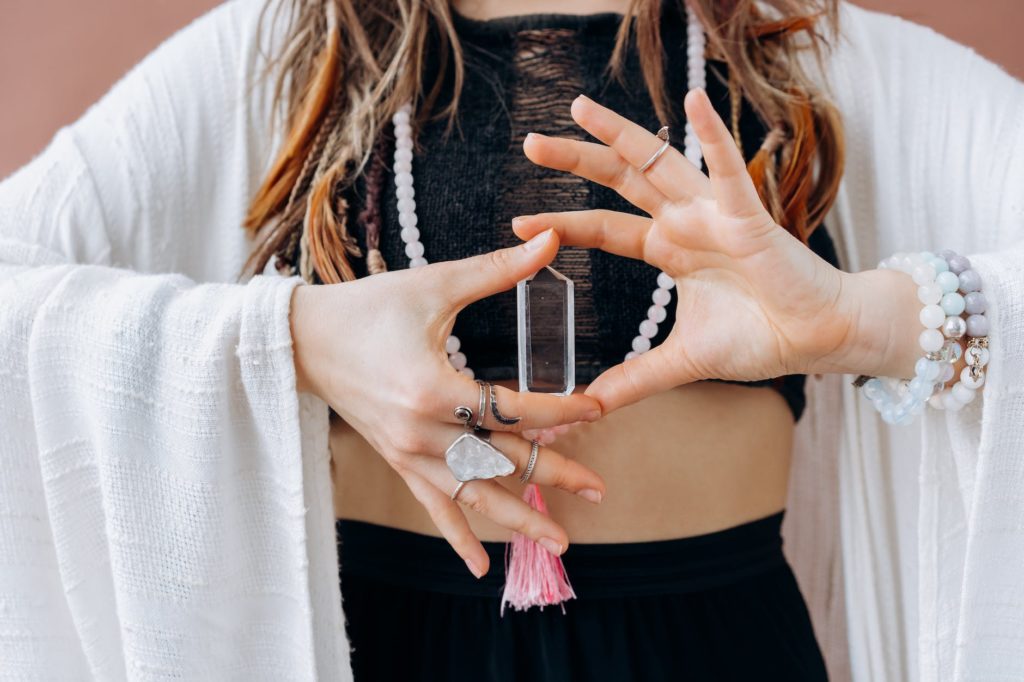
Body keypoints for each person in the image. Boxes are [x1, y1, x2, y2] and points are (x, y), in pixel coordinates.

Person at [0, 1, 1020, 681]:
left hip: (714, 638)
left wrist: (870, 322)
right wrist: (294, 339)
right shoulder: (292, 50)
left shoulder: (798, 49)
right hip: (382, 638)